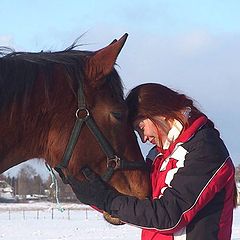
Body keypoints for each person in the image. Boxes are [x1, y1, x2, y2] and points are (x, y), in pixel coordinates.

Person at [68, 83, 236, 240]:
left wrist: (107, 200)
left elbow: (169, 216)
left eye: (140, 128)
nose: (144, 139)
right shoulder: (157, 155)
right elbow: (140, 204)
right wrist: (89, 189)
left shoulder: (205, 151)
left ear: (160, 113)